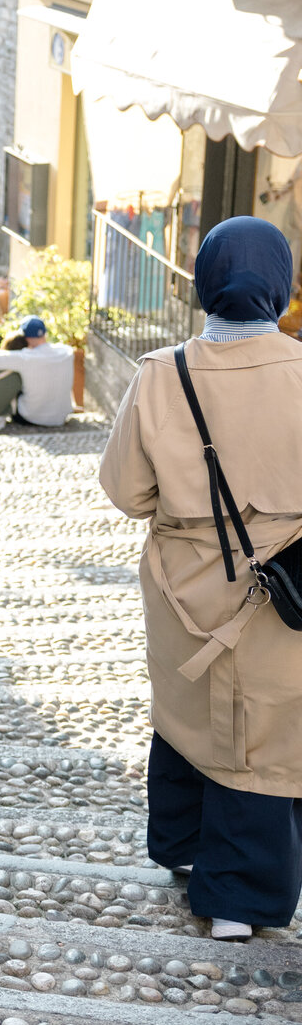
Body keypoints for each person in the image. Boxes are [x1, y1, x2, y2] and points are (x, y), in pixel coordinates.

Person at [101, 217, 302, 941]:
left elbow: (125, 492)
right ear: (281, 284)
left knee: (189, 713)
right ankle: (239, 903)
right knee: (269, 733)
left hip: (188, 586)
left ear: (203, 281)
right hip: (283, 593)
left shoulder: (164, 373)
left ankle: (187, 850)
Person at [0, 316, 74, 432]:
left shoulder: (24, 357)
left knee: (15, 378)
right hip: (60, 417)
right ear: (44, 333)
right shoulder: (67, 352)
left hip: (32, 417)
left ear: (24, 337)